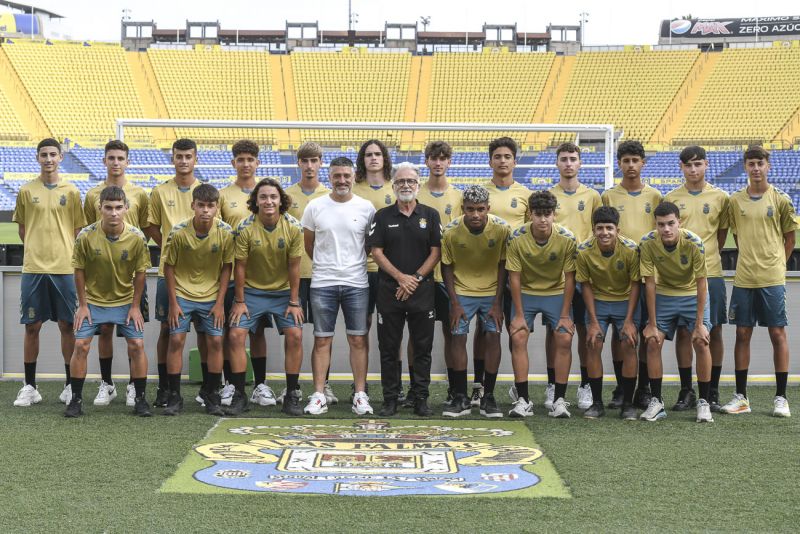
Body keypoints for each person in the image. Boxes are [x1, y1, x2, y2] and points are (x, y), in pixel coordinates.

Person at [723, 145, 798, 418]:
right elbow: (738, 236)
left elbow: (789, 239)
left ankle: (781, 397)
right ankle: (741, 397)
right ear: (745, 167)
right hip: (744, 278)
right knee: (742, 334)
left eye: (760, 163)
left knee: (777, 333)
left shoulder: (780, 199)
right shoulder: (735, 201)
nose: (756, 168)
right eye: (751, 163)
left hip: (771, 278)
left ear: (768, 166)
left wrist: (778, 263)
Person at [65, 186, 151, 418]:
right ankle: (76, 400)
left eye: (118, 208)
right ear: (99, 208)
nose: (113, 213)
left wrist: (135, 307)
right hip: (93, 302)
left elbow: (141, 273)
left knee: (137, 345)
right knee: (81, 345)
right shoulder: (85, 236)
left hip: (125, 302)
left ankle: (141, 399)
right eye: (108, 208)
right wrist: (82, 305)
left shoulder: (137, 237)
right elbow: (79, 270)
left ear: (126, 208)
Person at [13, 138, 85, 408]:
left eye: (53, 154)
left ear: (60, 158)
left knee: (67, 326)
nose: (48, 159)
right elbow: (23, 230)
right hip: (34, 268)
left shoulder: (73, 191)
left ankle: (69, 385)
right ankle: (30, 386)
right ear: (37, 158)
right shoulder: (25, 190)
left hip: (65, 269)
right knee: (32, 326)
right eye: (44, 154)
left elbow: (77, 230)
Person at [301, 157, 376, 416]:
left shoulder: (366, 208)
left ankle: (360, 394)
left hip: (357, 282)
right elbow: (309, 245)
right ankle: (319, 394)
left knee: (358, 338)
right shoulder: (315, 206)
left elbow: (369, 245)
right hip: (323, 283)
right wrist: (327, 266)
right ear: (329, 177)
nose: (342, 180)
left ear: (354, 176)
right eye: (337, 176)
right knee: (322, 340)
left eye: (346, 175)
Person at [368, 162, 441, 417]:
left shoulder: (430, 215)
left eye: (410, 181)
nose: (406, 185)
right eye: (400, 182)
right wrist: (401, 278)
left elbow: (436, 252)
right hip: (390, 292)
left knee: (422, 348)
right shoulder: (382, 216)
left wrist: (415, 278)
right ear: (393, 185)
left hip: (422, 292)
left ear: (418, 185)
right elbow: (376, 251)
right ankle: (390, 399)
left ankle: (421, 398)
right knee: (388, 348)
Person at [82, 139, 150, 408]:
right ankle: (107, 383)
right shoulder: (92, 195)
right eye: (111, 158)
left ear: (127, 161)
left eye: (121, 158)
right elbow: (88, 233)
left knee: (133, 332)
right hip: (101, 275)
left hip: (130, 273)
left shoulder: (140, 194)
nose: (116, 162)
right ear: (104, 161)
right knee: (106, 329)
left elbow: (144, 229)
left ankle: (135, 386)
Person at [229, 178, 305, 415]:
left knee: (295, 334)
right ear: (256, 201)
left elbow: (295, 267)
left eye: (273, 197)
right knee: (235, 334)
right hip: (251, 292)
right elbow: (239, 267)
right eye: (263, 197)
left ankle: (291, 394)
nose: (268, 201)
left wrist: (294, 301)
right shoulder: (244, 228)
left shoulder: (293, 227)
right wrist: (239, 301)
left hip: (283, 293)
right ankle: (240, 395)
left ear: (281, 200)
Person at [665, 146, 730, 411]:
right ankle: (685, 390)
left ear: (707, 164)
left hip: (711, 273)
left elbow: (721, 235)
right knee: (684, 331)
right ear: (681, 167)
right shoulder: (671, 198)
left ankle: (711, 390)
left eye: (698, 164)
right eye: (688, 165)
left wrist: (708, 258)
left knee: (713, 330)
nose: (693, 170)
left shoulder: (720, 197)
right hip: (680, 278)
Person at [162, 184, 234, 416]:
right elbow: (169, 267)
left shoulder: (225, 232)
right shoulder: (179, 232)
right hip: (182, 294)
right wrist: (173, 303)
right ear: (193, 206)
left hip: (212, 296)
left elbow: (227, 268)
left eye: (210, 206)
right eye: (201, 205)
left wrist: (220, 302)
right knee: (176, 340)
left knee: (214, 342)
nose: (205, 210)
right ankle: (174, 396)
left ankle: (211, 395)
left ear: (217, 208)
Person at [639, 201, 713, 423]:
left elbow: (702, 283)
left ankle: (704, 402)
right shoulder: (648, 243)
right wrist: (651, 324)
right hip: (665, 295)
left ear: (679, 222)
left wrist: (699, 324)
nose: (666, 229)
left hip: (692, 294)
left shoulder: (694, 243)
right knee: (652, 341)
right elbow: (649, 284)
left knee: (701, 341)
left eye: (671, 223)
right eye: (661, 225)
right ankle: (657, 402)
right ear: (656, 225)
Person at [601, 140, 661, 409]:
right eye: (626, 161)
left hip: (648, 273)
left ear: (643, 163)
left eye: (635, 161)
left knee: (647, 332)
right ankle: (622, 387)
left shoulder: (655, 196)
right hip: (619, 273)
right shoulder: (609, 196)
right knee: (621, 333)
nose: (631, 165)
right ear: (619, 164)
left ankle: (645, 388)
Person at [506, 191, 577, 419]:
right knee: (517, 335)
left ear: (554, 215)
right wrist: (518, 314)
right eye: (538, 214)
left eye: (548, 214)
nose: (543, 219)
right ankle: (523, 400)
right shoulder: (516, 237)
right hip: (526, 291)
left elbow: (570, 278)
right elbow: (514, 277)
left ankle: (559, 400)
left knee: (564, 337)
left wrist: (565, 314)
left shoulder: (567, 238)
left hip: (555, 291)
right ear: (530, 215)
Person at [441, 185, 509, 418]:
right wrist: (455, 303)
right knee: (457, 337)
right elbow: (447, 267)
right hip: (462, 292)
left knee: (493, 336)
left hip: (491, 293)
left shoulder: (502, 229)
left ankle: (488, 396)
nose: (476, 215)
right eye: (470, 209)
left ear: (488, 208)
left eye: (481, 209)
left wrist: (498, 302)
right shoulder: (450, 232)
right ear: (463, 209)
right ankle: (460, 397)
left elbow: (503, 265)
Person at [145, 138, 204, 408]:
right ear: (173, 159)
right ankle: (165, 386)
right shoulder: (160, 192)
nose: (183, 161)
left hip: (204, 275)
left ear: (195, 159)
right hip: (168, 273)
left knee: (206, 331)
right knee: (167, 329)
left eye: (188, 156)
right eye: (179, 156)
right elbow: (152, 227)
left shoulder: (204, 192)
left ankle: (209, 388)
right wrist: (173, 249)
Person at [548, 141, 602, 411]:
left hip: (583, 273)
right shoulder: (548, 195)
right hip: (554, 274)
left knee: (583, 330)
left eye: (573, 159)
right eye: (564, 159)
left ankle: (585, 386)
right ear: (557, 163)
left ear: (579, 164)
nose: (568, 163)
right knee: (555, 331)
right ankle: (552, 386)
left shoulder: (592, 196)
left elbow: (598, 232)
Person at [219, 139, 272, 408]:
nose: (246, 164)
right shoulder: (223, 195)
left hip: (259, 276)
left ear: (257, 163)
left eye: (250, 159)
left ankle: (260, 384)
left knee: (257, 332)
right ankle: (231, 383)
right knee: (233, 331)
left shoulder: (266, 193)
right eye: (240, 159)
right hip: (230, 274)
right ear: (234, 163)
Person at [476, 136, 529, 407]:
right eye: (497, 156)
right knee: (486, 331)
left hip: (516, 273)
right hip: (485, 271)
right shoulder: (480, 193)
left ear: (515, 161)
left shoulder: (525, 195)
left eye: (507, 157)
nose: (502, 161)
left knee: (516, 331)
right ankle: (481, 386)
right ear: (490, 161)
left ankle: (517, 388)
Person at [576, 207, 641, 420]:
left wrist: (630, 320)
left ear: (617, 230)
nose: (605, 233)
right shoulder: (584, 251)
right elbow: (585, 285)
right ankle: (596, 403)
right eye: (600, 228)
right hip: (599, 301)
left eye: (609, 228)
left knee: (629, 343)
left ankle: (628, 403)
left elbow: (635, 285)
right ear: (593, 230)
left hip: (625, 302)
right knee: (593, 342)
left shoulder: (631, 250)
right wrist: (593, 322)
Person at [285, 142, 333, 404]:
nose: (309, 165)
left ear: (320, 162)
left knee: (322, 332)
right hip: (293, 275)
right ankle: (291, 385)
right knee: (294, 333)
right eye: (305, 161)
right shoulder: (286, 195)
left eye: (314, 160)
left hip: (321, 275)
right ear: (298, 163)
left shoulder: (329, 195)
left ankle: (323, 385)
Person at [416, 141, 462, 406]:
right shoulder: (417, 193)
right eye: (433, 157)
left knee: (452, 333)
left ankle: (455, 390)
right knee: (417, 334)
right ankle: (415, 389)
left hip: (448, 277)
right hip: (420, 274)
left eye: (443, 158)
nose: (438, 162)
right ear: (427, 161)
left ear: (449, 162)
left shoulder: (457, 196)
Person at [352, 139, 397, 398]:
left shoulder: (396, 186)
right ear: (363, 159)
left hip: (390, 269)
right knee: (363, 327)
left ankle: (393, 384)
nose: (373, 158)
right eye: (368, 154)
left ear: (384, 158)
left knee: (392, 327)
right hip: (361, 269)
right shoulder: (355, 189)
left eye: (377, 154)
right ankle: (362, 383)